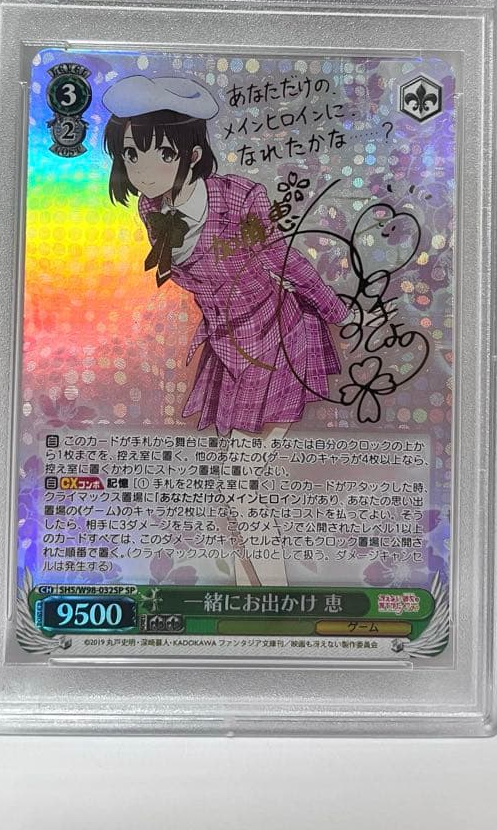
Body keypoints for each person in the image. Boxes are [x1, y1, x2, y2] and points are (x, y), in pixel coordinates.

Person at [102, 74, 349, 583]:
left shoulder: (239, 199)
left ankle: (275, 598)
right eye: (131, 154)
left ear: (192, 155)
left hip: (277, 341)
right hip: (228, 351)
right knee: (235, 484)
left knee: (242, 485)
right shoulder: (152, 207)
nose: (143, 170)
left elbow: (282, 259)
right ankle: (247, 594)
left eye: (161, 154)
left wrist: (337, 311)